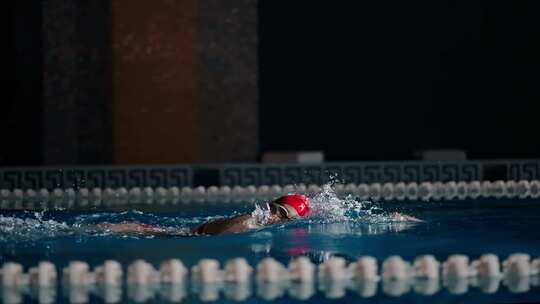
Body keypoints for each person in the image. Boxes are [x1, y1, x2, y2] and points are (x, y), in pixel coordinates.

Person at [94, 194, 311, 236]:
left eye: (283, 216)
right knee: (146, 230)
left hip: (193, 230)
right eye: (278, 211)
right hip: (189, 234)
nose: (275, 216)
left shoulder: (257, 222)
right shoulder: (249, 222)